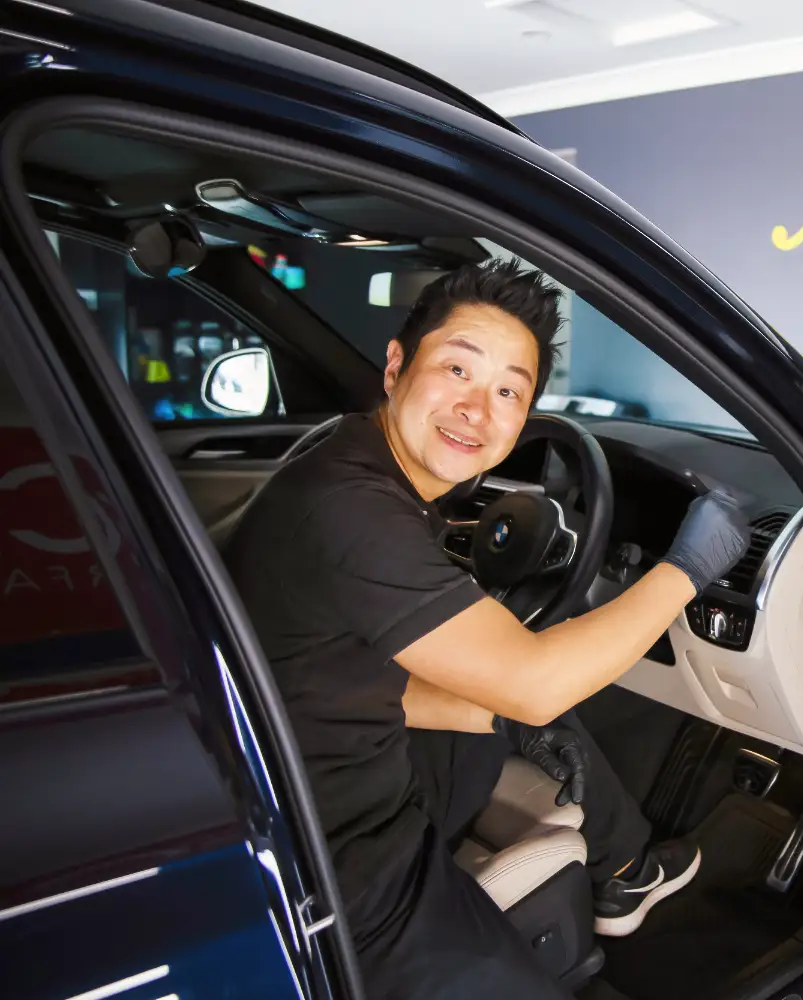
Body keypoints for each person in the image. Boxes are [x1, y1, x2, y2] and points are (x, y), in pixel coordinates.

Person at [224, 258, 752, 1000]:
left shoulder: (347, 454)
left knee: (504, 710)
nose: (478, 408)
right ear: (396, 366)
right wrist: (689, 568)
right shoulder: (352, 510)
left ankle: (623, 876)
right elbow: (535, 680)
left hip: (301, 780)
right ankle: (618, 878)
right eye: (457, 370)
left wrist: (494, 715)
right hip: (342, 873)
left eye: (509, 391)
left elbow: (327, 676)